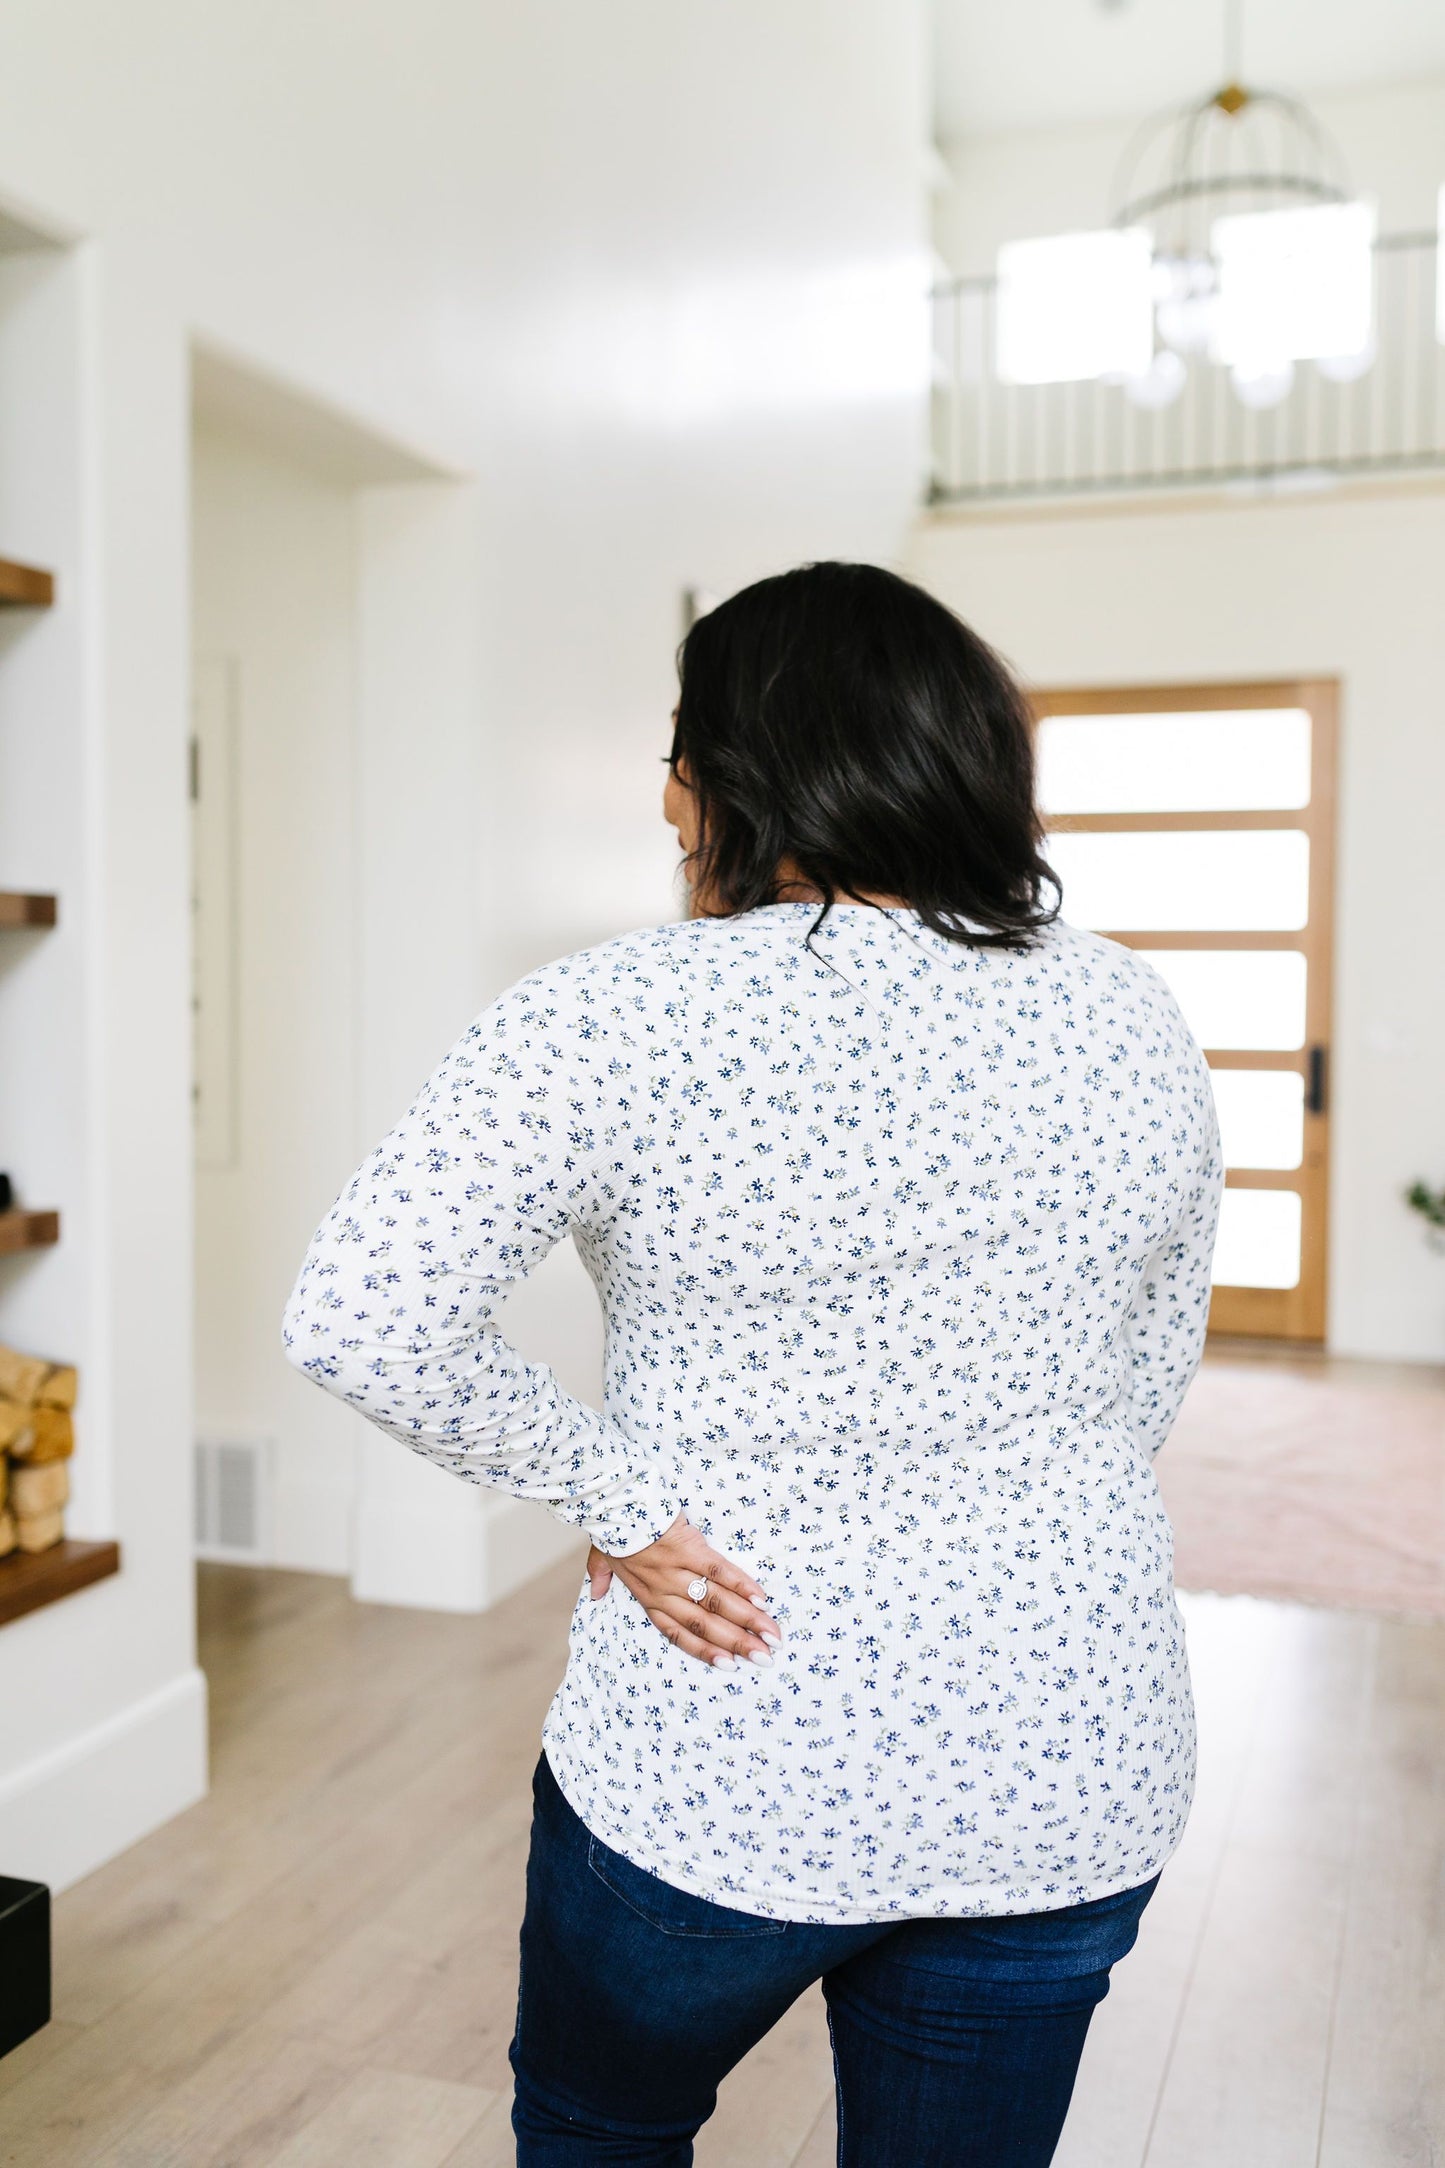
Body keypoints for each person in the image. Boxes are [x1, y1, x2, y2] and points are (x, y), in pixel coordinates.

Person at [283, 562, 1222, 2166]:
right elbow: (1148, 1373)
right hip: (1067, 1747)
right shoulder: (1134, 1013)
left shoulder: (608, 1012)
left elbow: (360, 1311)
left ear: (744, 773)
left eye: (679, 747)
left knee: (599, 2125)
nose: (663, 795)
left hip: (724, 1739)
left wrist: (621, 1502)